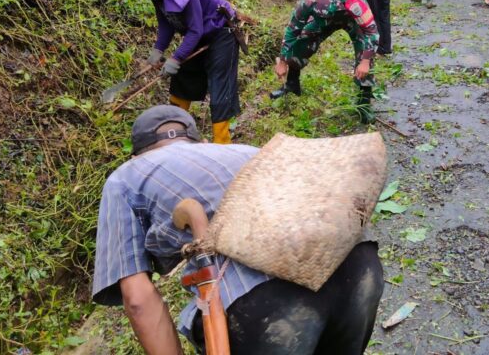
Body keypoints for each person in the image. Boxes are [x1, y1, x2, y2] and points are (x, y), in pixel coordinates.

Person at [92, 105, 384, 354]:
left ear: (135, 155)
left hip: (269, 309)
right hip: (357, 266)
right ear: (202, 141)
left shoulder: (124, 178)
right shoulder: (248, 152)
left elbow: (138, 299)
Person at [115, 0, 240, 144]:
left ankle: (222, 143)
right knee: (182, 78)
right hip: (199, 35)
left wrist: (175, 58)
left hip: (221, 33)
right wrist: (158, 49)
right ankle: (176, 133)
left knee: (219, 87)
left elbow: (195, 30)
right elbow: (166, 22)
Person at [270, 0, 379, 123]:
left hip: (349, 17)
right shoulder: (307, 1)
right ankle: (292, 84)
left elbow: (371, 31)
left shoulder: (354, 2)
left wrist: (365, 61)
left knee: (364, 48)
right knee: (303, 39)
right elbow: (292, 30)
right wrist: (283, 61)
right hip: (322, 19)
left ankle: (364, 101)